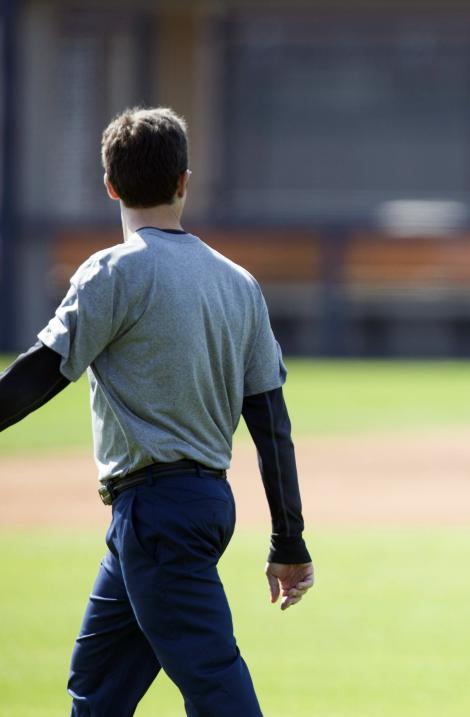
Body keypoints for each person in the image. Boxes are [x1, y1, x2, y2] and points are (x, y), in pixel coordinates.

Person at [0, 107, 314, 716]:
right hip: (188, 510)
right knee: (98, 689)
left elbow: (39, 373)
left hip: (153, 513)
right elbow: (271, 424)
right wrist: (288, 539)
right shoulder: (237, 283)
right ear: (184, 182)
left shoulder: (114, 271)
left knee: (214, 683)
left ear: (111, 187)